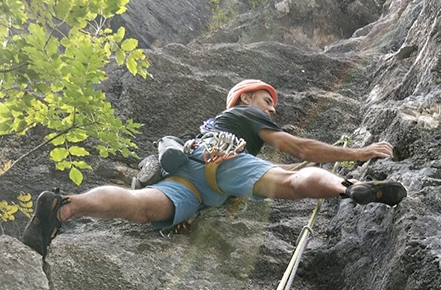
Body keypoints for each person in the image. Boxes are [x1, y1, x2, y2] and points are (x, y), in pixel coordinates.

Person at [22, 79, 407, 257]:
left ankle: (66, 206)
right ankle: (349, 187)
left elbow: (288, 158)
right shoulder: (243, 115)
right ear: (245, 98)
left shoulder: (219, 124)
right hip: (223, 164)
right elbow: (296, 146)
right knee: (292, 182)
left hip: (190, 182)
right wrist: (357, 153)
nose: (271, 108)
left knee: (139, 205)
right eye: (265, 100)